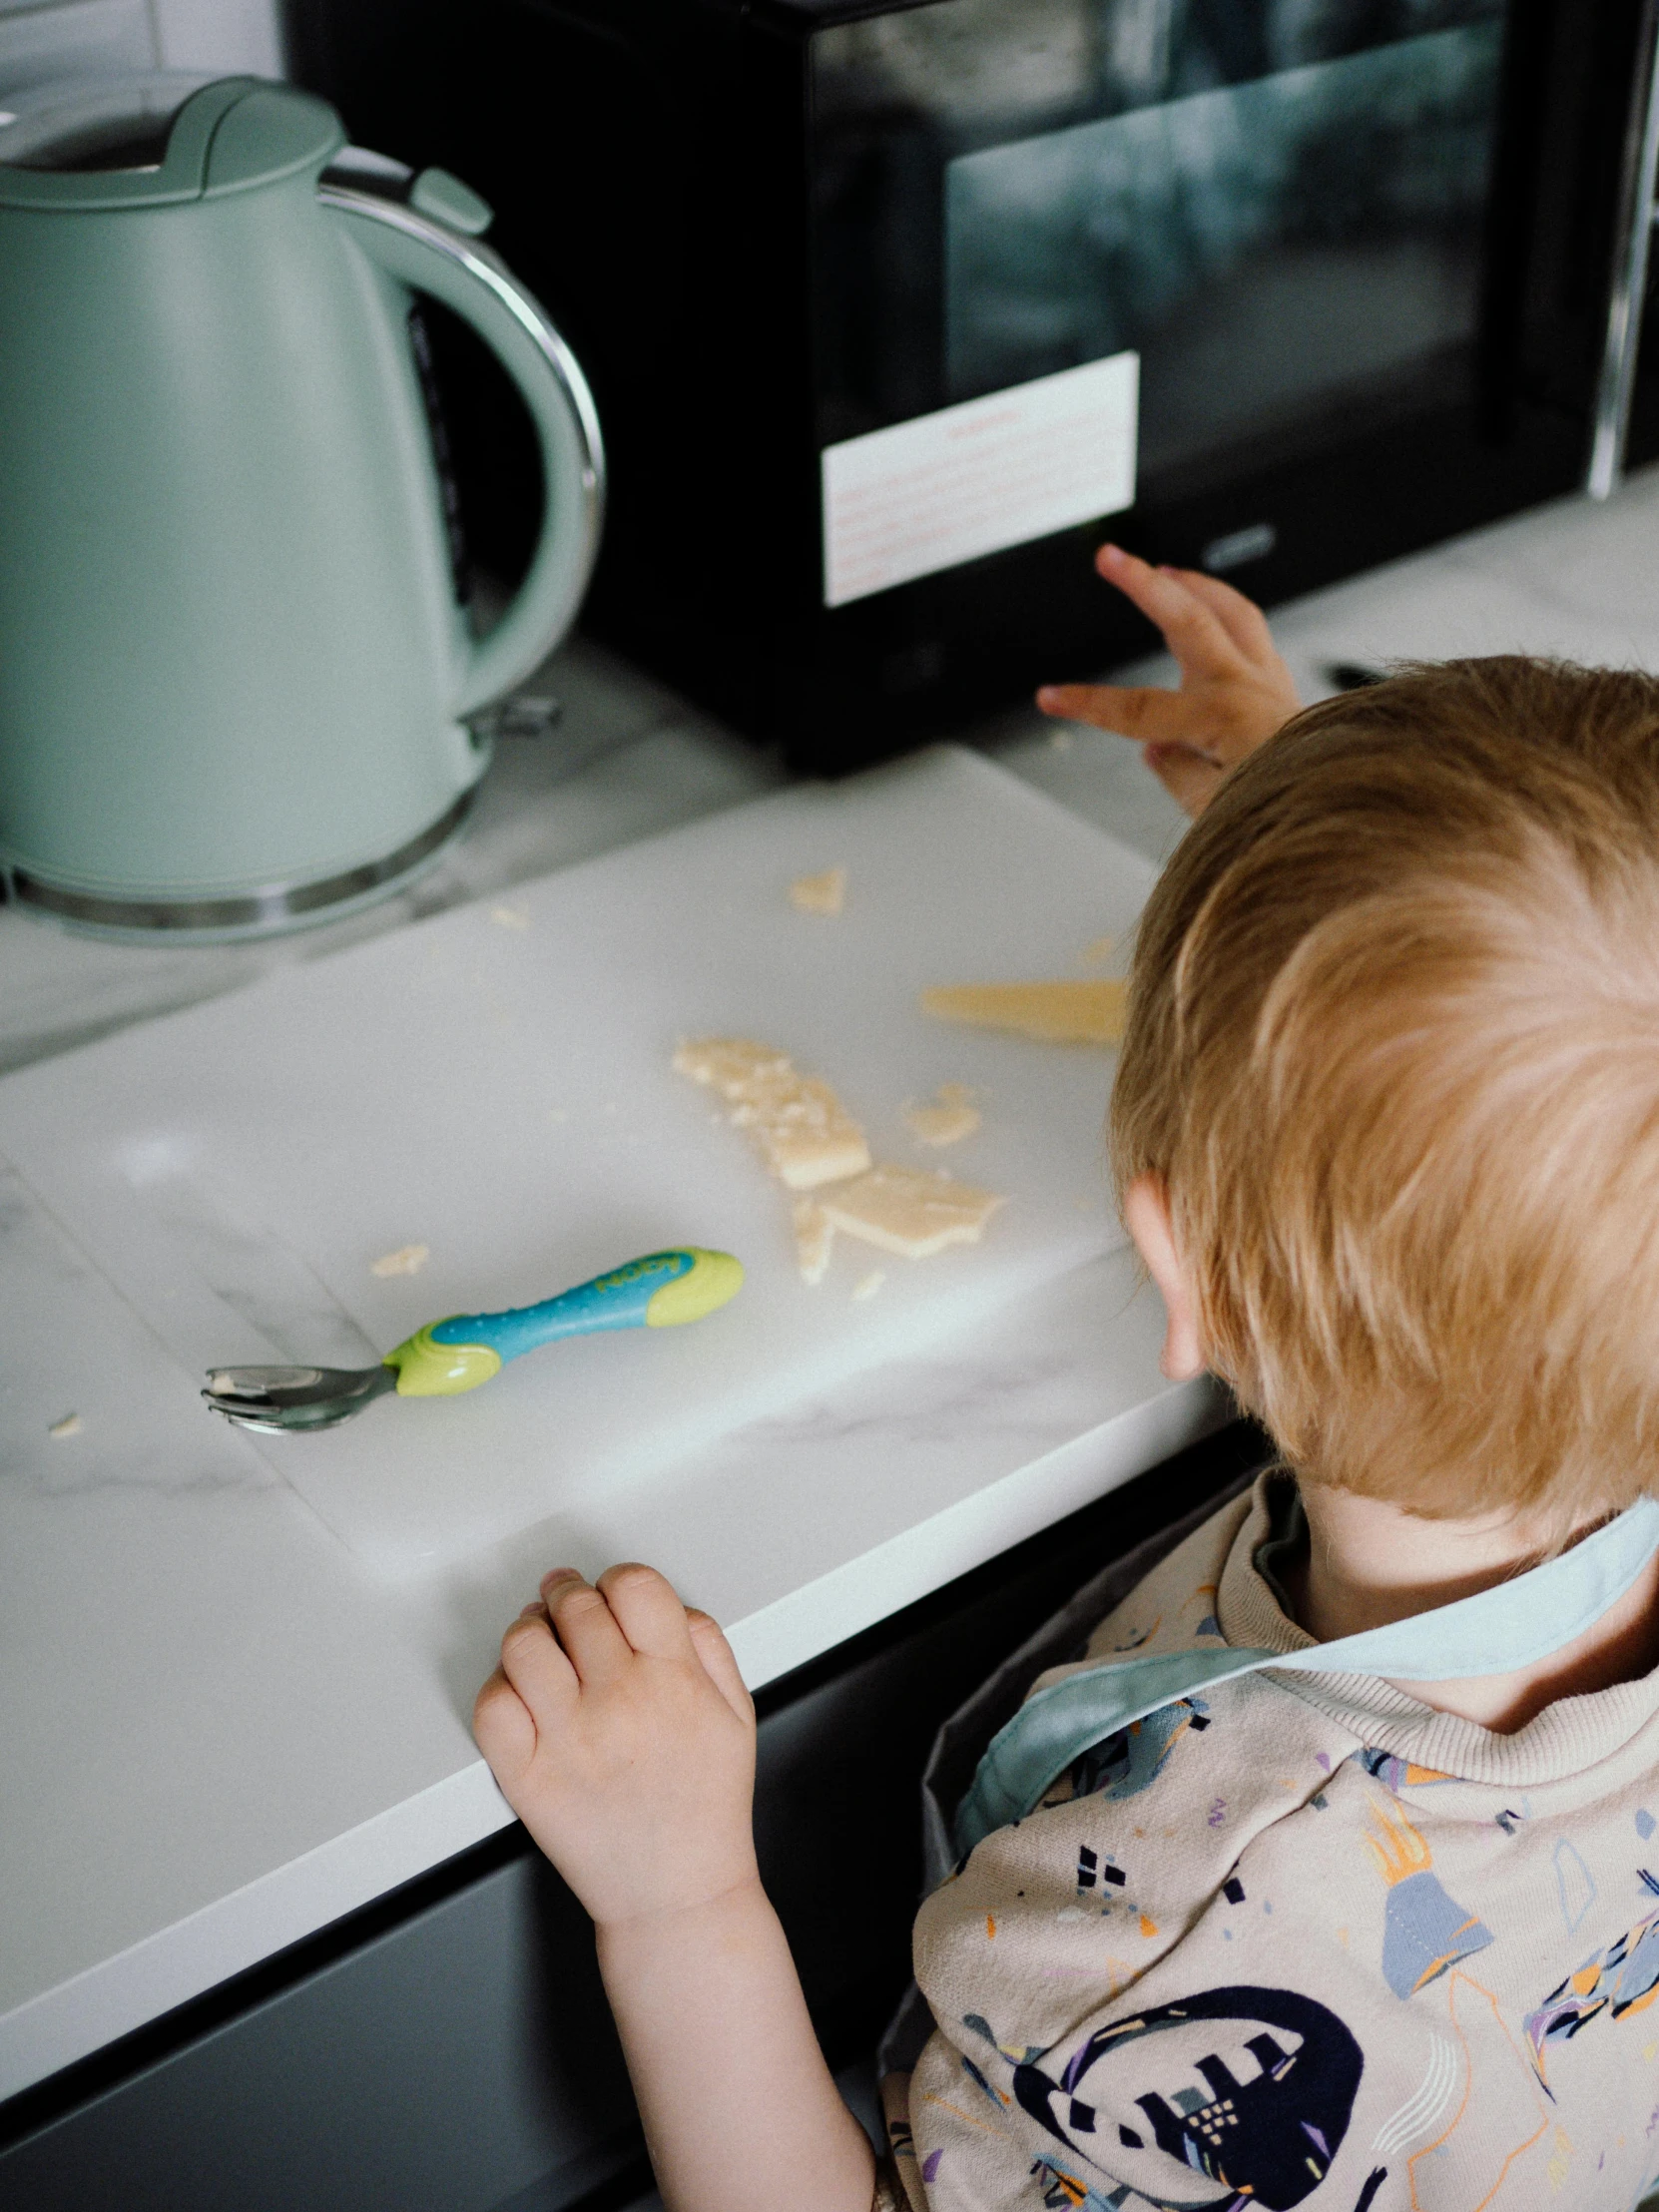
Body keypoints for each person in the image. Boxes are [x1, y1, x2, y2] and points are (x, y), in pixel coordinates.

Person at [472, 545, 1659, 2211]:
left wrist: (679, 1903)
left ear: (1185, 1274)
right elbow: (1578, 1077)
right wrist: (1310, 837)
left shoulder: (1168, 1955)